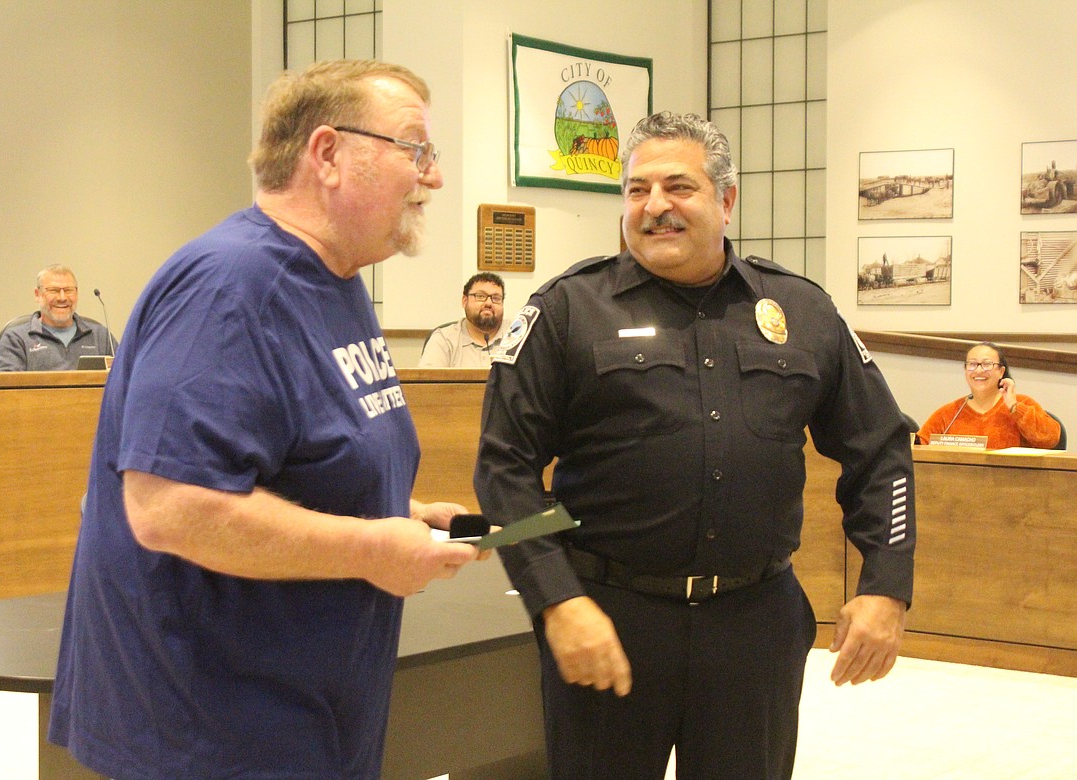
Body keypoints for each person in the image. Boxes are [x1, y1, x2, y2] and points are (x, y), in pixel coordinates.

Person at [49, 60, 486, 779]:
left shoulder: (336, 283)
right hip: (213, 731)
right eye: (415, 149)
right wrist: (371, 548)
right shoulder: (229, 287)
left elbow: (290, 460)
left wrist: (396, 510)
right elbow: (168, 508)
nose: (431, 177)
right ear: (327, 154)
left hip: (304, 712)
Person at [474, 111, 915, 780]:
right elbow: (502, 468)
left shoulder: (802, 310)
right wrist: (555, 598)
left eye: (679, 187)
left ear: (726, 200)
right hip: (607, 620)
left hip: (755, 626)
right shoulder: (568, 309)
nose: (655, 207)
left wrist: (887, 586)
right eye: (636, 189)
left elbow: (880, 449)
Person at [917, 341, 1060, 449]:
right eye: (972, 364)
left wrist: (1015, 408)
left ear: (1001, 371)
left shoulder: (1022, 403)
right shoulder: (949, 413)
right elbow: (919, 447)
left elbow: (1050, 439)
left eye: (987, 364)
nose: (979, 371)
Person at [0, 264, 116, 371]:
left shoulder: (101, 337)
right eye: (54, 290)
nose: (62, 298)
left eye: (68, 290)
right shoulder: (16, 339)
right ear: (37, 295)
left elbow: (125, 378)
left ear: (77, 293)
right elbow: (5, 391)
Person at [418, 271, 510, 366]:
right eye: (480, 296)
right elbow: (428, 379)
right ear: (464, 301)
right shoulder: (444, 338)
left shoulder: (518, 336)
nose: (488, 303)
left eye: (496, 298)